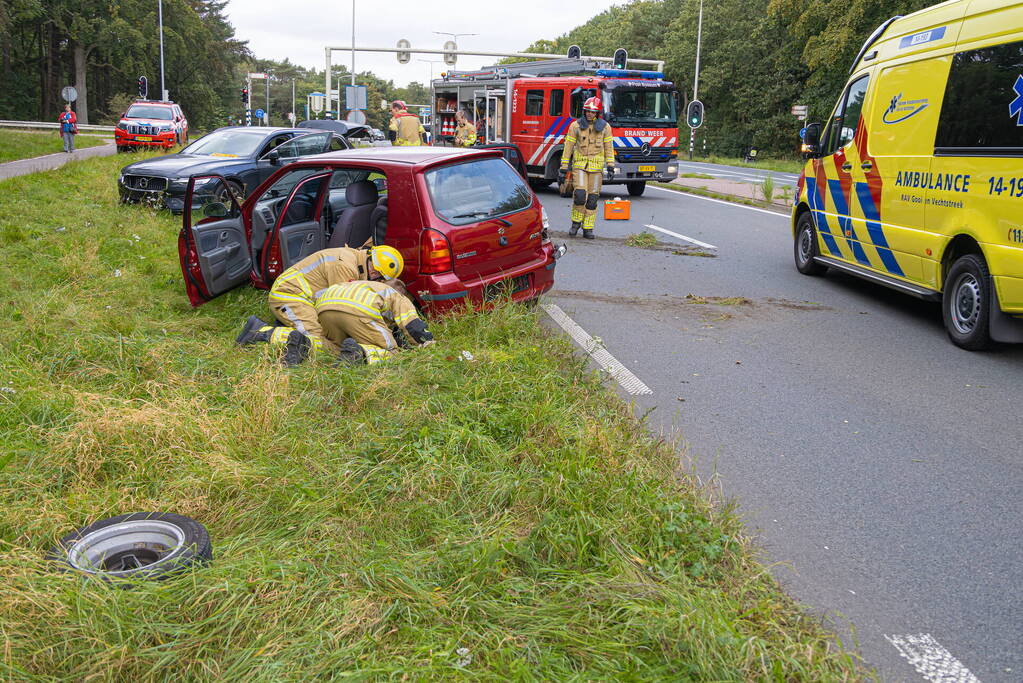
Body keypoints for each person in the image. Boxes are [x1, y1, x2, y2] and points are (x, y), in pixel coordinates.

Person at [235, 245, 405, 366]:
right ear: (374, 271)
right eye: (379, 279)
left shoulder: (353, 260)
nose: (378, 282)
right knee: (315, 340)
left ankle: (284, 327)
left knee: (329, 340)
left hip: (304, 299)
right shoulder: (345, 266)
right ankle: (259, 332)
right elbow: (343, 307)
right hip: (290, 295)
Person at [314, 280, 434, 365]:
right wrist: (426, 344)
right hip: (359, 307)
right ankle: (360, 354)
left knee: (336, 347)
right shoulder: (398, 296)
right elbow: (412, 325)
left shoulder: (367, 285)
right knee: (391, 352)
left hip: (324, 306)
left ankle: (309, 345)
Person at [558, 96, 614, 239]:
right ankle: (575, 223)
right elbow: (568, 147)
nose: (589, 114)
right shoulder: (575, 126)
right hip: (580, 166)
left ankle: (588, 228)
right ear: (584, 111)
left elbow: (609, 147)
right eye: (588, 111)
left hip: (597, 169)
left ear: (597, 113)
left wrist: (611, 166)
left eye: (592, 112)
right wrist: (563, 168)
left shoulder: (605, 127)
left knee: (593, 199)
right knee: (580, 195)